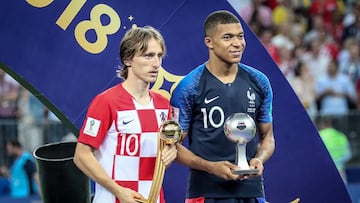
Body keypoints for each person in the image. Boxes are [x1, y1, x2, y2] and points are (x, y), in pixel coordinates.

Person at [170, 10, 275, 203]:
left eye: (240, 36)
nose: (237, 43)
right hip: (206, 192)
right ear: (209, 42)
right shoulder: (189, 87)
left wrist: (259, 159)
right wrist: (211, 167)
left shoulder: (260, 81)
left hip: (252, 192)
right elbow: (172, 147)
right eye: (228, 37)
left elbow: (267, 136)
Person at [73, 26, 177, 203]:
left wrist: (172, 150)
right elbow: (81, 156)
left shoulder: (164, 105)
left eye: (159, 56)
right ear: (128, 59)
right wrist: (119, 191)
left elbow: (168, 146)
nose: (156, 63)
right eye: (148, 55)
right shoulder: (106, 101)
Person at [318, 116, 352, 183]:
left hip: (323, 173)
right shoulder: (342, 136)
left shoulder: (318, 135)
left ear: (322, 124)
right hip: (340, 172)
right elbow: (348, 155)